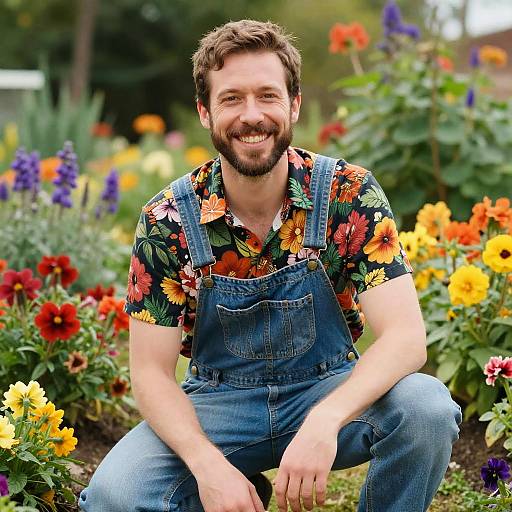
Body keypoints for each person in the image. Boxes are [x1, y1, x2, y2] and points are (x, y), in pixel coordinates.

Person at [79, 19, 462, 512]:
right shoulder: (167, 219)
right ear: (204, 111)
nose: (251, 116)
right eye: (232, 98)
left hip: (329, 389)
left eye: (267, 95)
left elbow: (406, 338)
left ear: (294, 104)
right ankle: (238, 487)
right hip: (220, 406)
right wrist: (207, 464)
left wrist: (326, 420)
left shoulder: (348, 193)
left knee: (426, 409)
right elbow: (151, 373)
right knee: (115, 495)